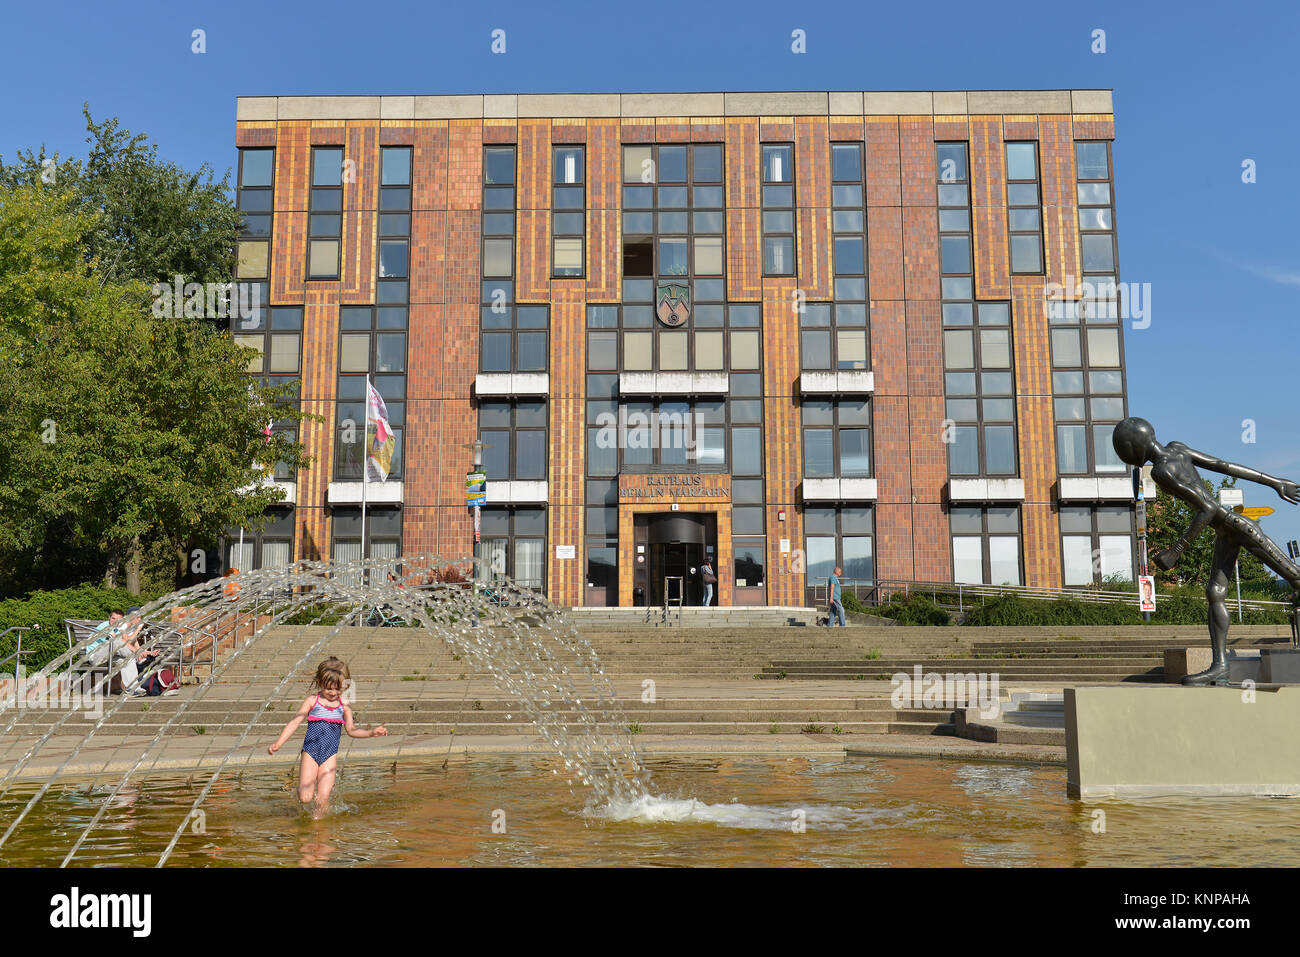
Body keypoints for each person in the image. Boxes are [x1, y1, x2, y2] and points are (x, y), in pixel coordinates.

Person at [1112, 416, 1300, 684]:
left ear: (1131, 448)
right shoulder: (1177, 448)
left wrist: (1177, 549)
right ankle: (1220, 666)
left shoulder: (1160, 472)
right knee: (1215, 592)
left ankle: (1220, 665)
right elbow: (1224, 466)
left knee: (1294, 576)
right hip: (1227, 530)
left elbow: (1208, 508)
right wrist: (1273, 482)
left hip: (1234, 526)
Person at [268, 658, 388, 818]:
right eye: (328, 688)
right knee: (305, 798)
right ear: (319, 682)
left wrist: (371, 733)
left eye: (337, 689)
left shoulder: (344, 706)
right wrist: (279, 743)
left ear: (344, 685)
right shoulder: (313, 701)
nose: (332, 693)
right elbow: (295, 722)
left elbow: (351, 730)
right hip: (310, 752)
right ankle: (301, 798)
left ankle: (319, 831)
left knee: (322, 799)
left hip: (329, 755)